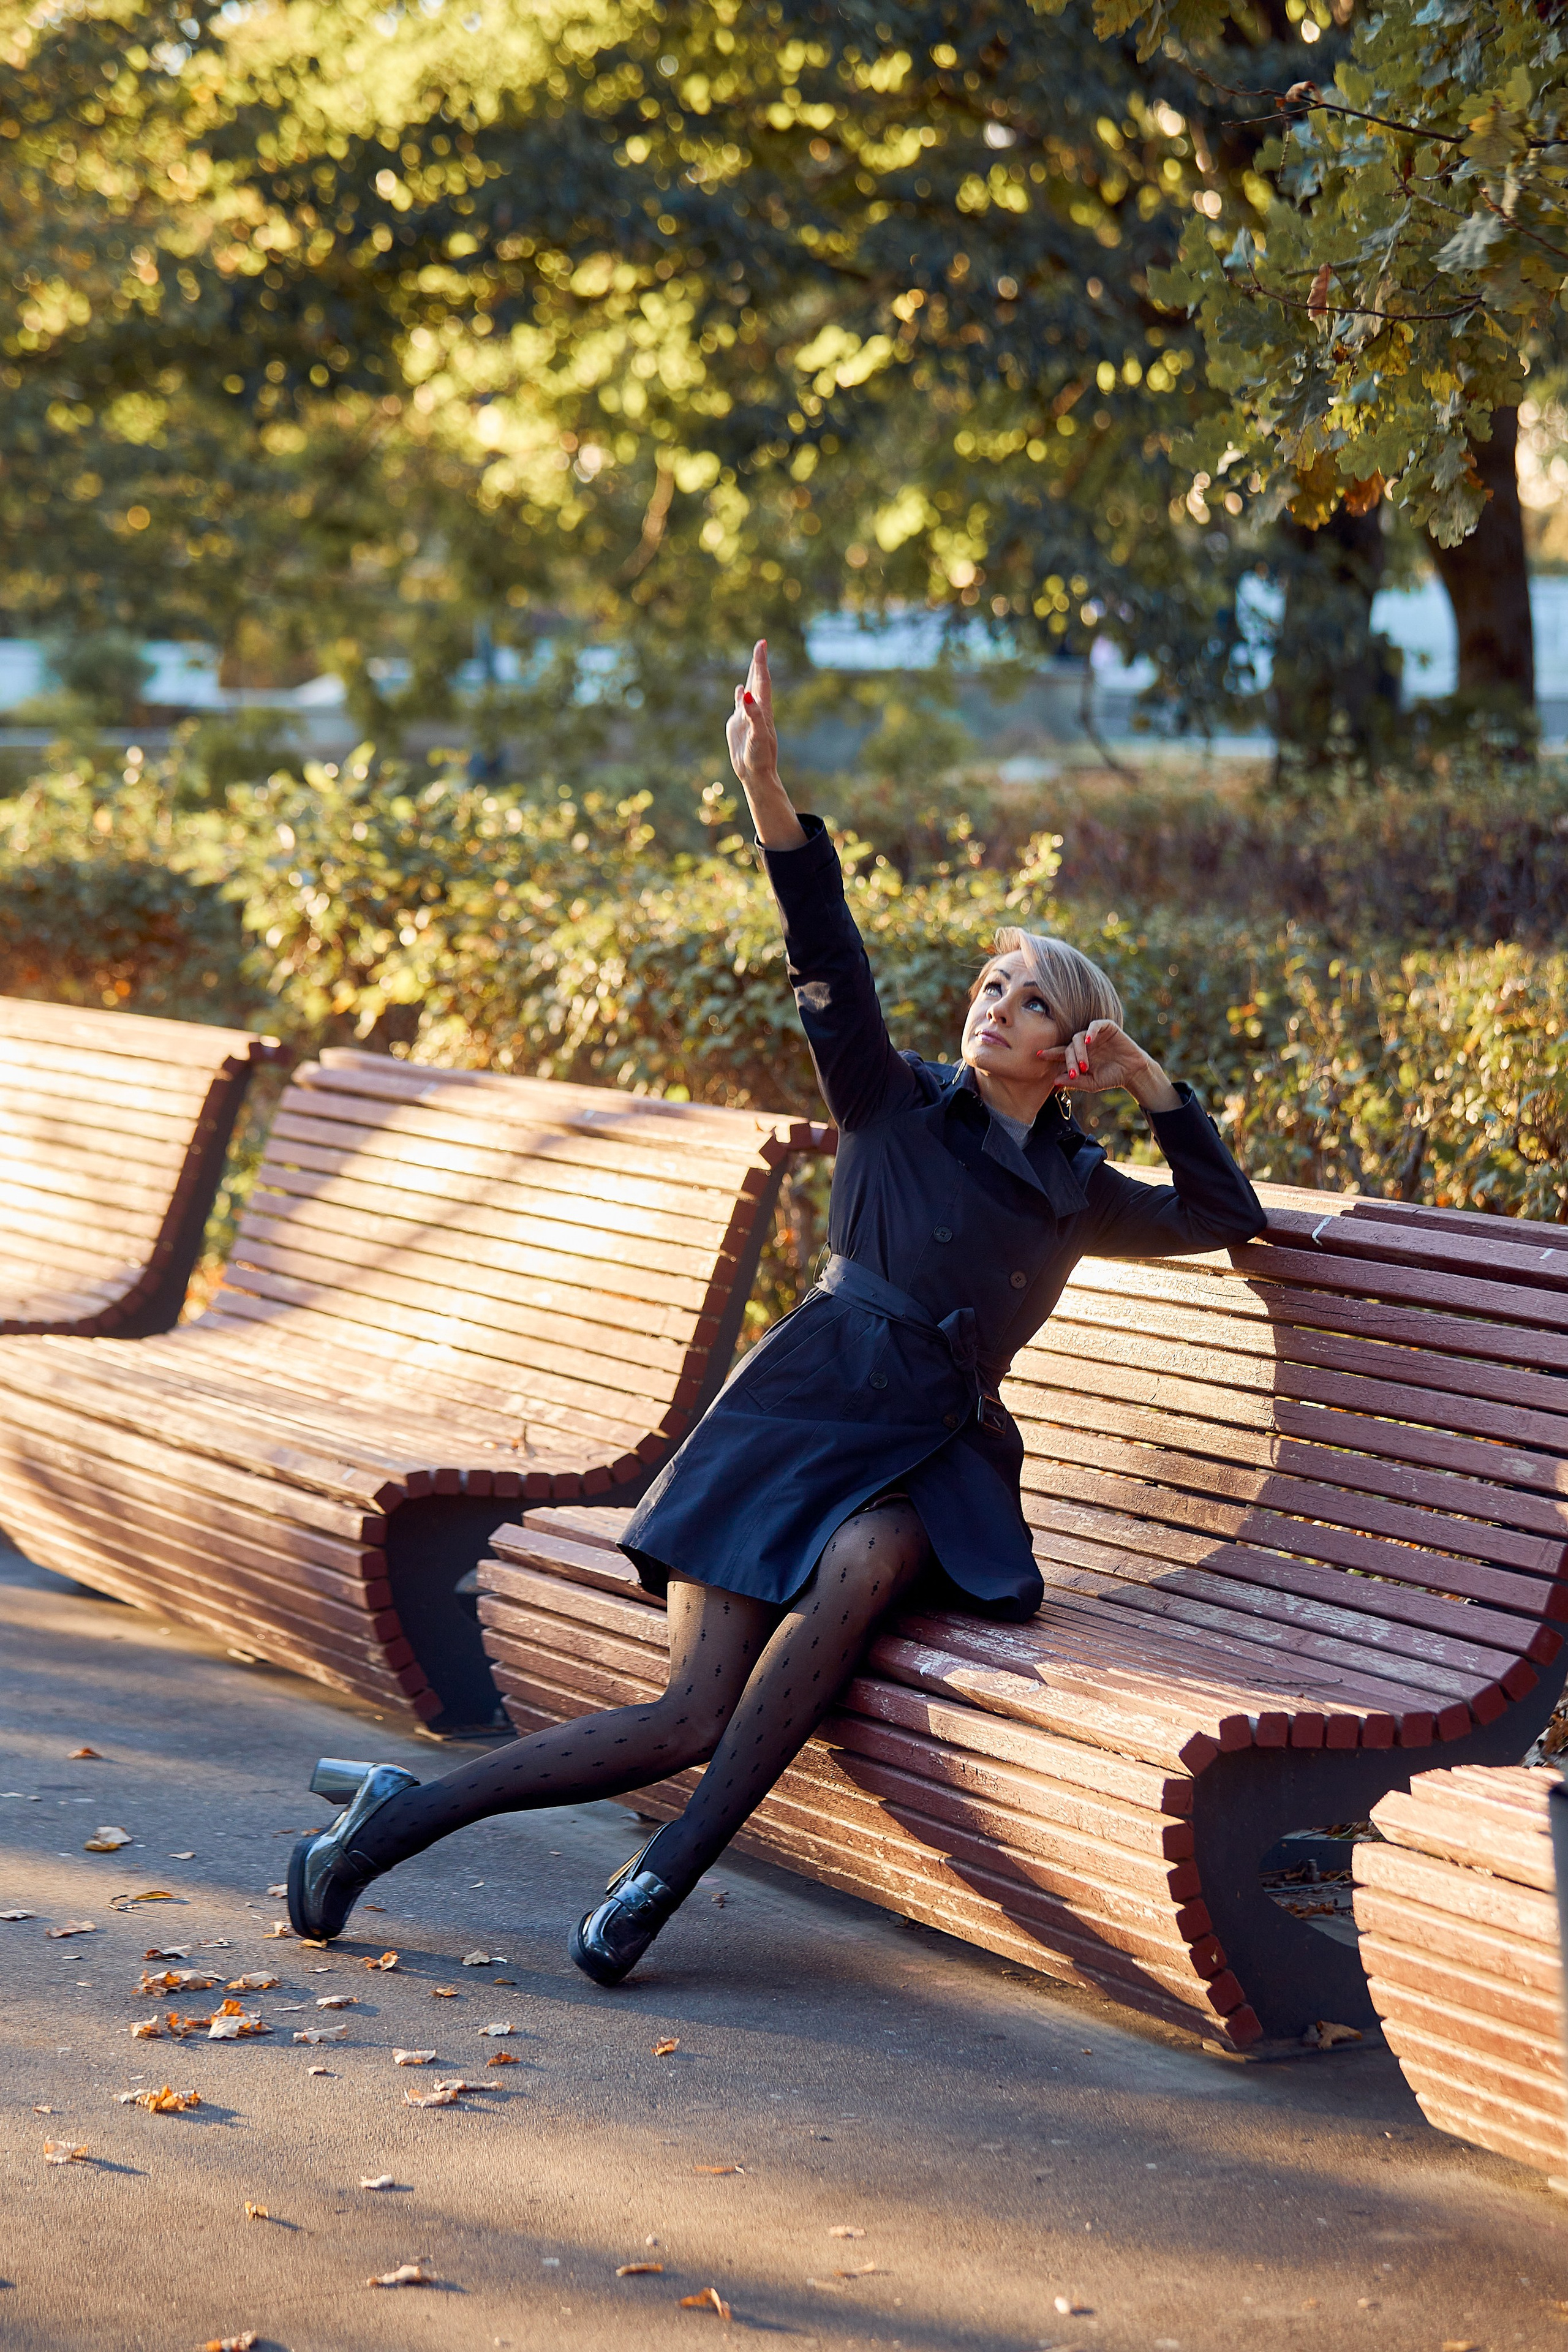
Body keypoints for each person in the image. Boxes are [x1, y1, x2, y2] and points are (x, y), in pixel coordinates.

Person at [287, 639, 1265, 1982]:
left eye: (1032, 1000)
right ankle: (395, 1820)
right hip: (797, 1416)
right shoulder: (886, 1096)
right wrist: (765, 789)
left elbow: (1223, 1218)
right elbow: (825, 943)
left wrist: (1155, 1080)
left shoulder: (1072, 1183)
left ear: (1071, 1051)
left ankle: (659, 1878)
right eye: (990, 986)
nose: (995, 1009)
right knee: (687, 1709)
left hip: (932, 1453)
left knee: (868, 1563)